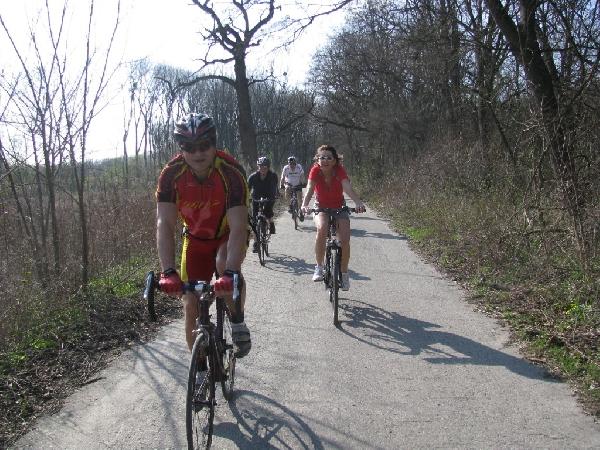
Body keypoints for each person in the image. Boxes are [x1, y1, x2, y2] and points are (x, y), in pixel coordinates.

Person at [155, 112, 251, 359]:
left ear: (214, 143)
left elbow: (239, 226)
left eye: (204, 145)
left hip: (227, 236)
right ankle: (198, 372)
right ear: (181, 148)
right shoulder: (171, 175)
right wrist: (168, 271)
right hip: (195, 239)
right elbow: (164, 223)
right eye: (189, 147)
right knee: (190, 304)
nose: (198, 153)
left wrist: (231, 272)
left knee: (224, 265)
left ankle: (237, 320)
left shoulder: (231, 172)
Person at [301, 144, 366, 291]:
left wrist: (358, 202)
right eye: (322, 157)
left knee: (345, 240)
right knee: (322, 228)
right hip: (321, 207)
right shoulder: (315, 170)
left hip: (339, 207)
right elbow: (310, 188)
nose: (325, 160)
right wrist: (304, 205)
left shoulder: (339, 170)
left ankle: (344, 274)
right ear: (317, 160)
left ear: (335, 160)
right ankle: (319, 267)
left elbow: (347, 187)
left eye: (329, 158)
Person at [247, 156, 279, 252]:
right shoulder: (253, 177)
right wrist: (246, 198)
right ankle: (256, 243)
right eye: (260, 166)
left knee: (268, 211)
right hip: (256, 197)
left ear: (268, 167)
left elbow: (274, 188)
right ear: (258, 167)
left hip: (269, 196)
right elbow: (247, 189)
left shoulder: (272, 176)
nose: (262, 169)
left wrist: (274, 196)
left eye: (265, 167)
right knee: (255, 221)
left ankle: (271, 222)